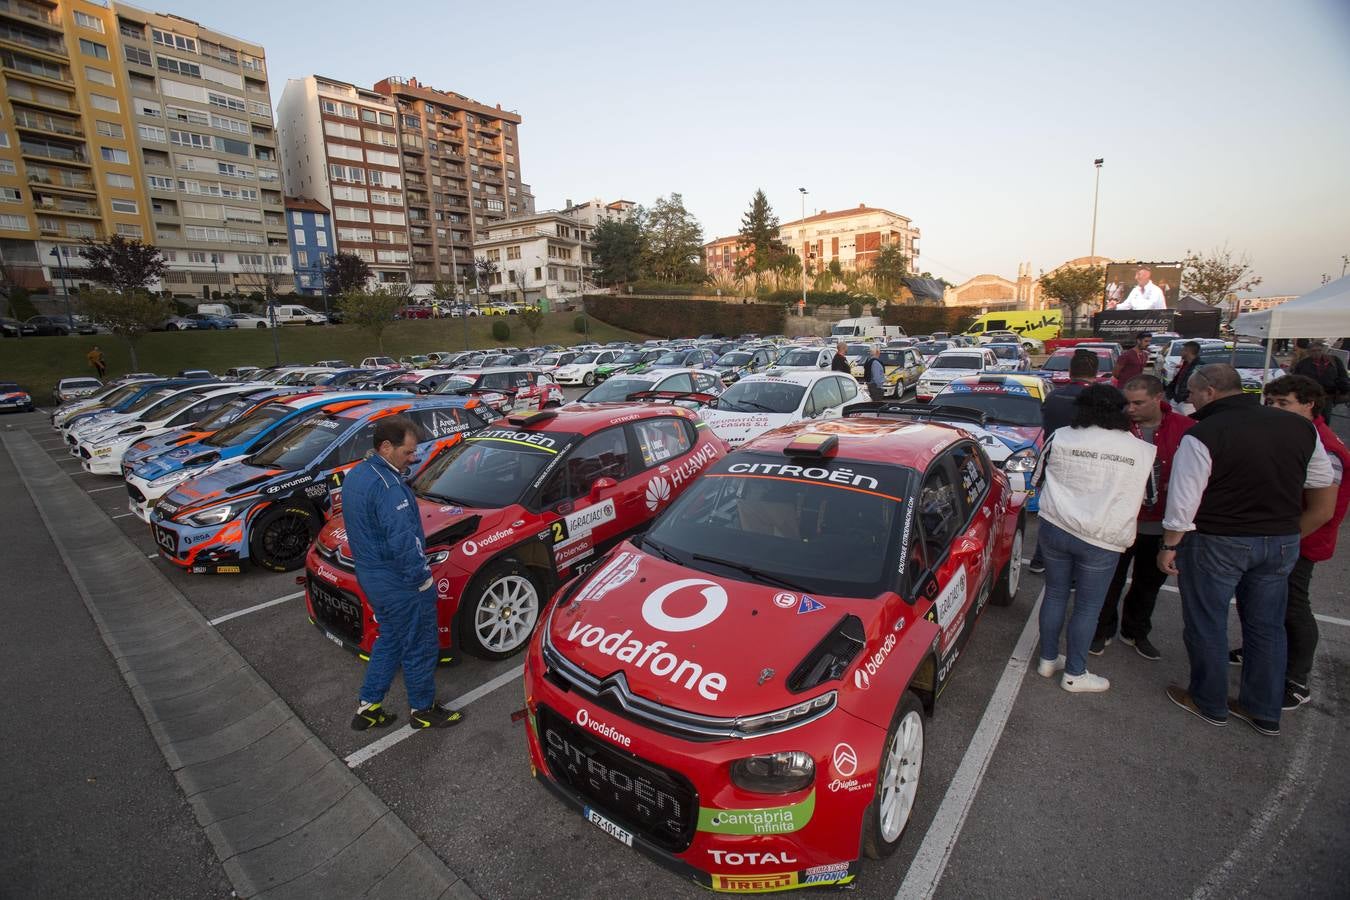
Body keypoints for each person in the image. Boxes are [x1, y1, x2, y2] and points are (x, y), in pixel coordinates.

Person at [1160, 364, 1336, 736]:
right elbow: (1321, 480)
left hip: (1218, 540)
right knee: (1267, 626)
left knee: (1208, 621)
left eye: (1191, 392)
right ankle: (1264, 709)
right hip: (1281, 540)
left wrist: (1170, 545)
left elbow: (1183, 502)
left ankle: (1209, 701)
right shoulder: (1301, 427)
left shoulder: (1203, 433)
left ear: (1209, 391)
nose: (1188, 399)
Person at [1227, 375, 1350, 710]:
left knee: (1293, 606)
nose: (1275, 410)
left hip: (1298, 540)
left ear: (1309, 404)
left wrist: (1284, 541)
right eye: (1271, 403)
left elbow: (1322, 511)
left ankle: (1296, 680)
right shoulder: (1300, 434)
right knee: (1262, 600)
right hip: (1280, 535)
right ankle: (1256, 649)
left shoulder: (1323, 445)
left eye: (1284, 404)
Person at [1033, 383, 1155, 693]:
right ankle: (1075, 672)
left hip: (1055, 527)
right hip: (1103, 537)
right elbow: (1150, 498)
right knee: (1088, 607)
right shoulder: (1140, 450)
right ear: (1121, 411)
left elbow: (1036, 478)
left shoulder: (1060, 435)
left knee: (1055, 592)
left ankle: (1048, 659)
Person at [345, 415, 463, 731]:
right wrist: (421, 578)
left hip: (372, 575)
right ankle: (423, 709)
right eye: (408, 452)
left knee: (391, 639)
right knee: (420, 645)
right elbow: (403, 538)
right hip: (400, 581)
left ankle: (368, 707)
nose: (414, 458)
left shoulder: (357, 474)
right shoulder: (389, 487)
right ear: (386, 447)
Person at [1091, 375, 1194, 659]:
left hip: (1161, 524)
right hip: (1119, 521)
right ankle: (1102, 630)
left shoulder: (1186, 429)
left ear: (1158, 398)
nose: (1131, 409)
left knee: (1148, 584)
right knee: (1111, 580)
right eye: (1127, 403)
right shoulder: (1115, 428)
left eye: (1138, 403)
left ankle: (1136, 631)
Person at [1028, 349, 1101, 575]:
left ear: (1070, 371)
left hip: (1055, 461)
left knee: (1051, 512)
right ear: (1096, 372)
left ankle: (1040, 559)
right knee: (1083, 515)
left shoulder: (1054, 397)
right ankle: (1075, 567)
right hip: (1088, 466)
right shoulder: (1099, 399)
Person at [1165, 340, 1200, 415]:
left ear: (1187, 351)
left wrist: (1183, 398)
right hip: (1177, 400)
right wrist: (1172, 396)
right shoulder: (1186, 364)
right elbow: (1178, 381)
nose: (1180, 352)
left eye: (1182, 350)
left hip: (1187, 403)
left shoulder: (1198, 367)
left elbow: (1194, 385)